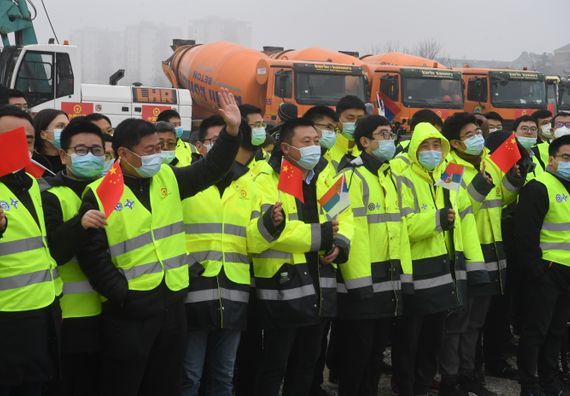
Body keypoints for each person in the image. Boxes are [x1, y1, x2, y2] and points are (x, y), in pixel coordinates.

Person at [76, 90, 242, 396]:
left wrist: (231, 133)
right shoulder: (100, 192)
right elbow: (92, 254)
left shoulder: (167, 177)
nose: (158, 154)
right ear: (124, 154)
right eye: (150, 149)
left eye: (160, 147)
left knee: (165, 381)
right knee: (125, 382)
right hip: (130, 309)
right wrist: (121, 293)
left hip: (172, 301)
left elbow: (210, 170)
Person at [181, 120, 284, 396]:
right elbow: (168, 235)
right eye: (213, 140)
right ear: (200, 147)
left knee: (224, 374)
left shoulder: (247, 185)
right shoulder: (185, 184)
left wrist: (270, 226)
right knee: (189, 375)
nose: (220, 146)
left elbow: (252, 242)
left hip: (234, 291)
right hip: (195, 289)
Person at [252, 118, 353, 396]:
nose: (313, 147)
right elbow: (275, 228)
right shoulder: (267, 177)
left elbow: (345, 215)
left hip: (320, 285)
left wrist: (341, 243)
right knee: (274, 364)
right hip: (284, 286)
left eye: (316, 141)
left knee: (307, 364)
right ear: (285, 148)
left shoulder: (325, 174)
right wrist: (322, 236)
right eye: (305, 142)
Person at [391, 122, 484, 396]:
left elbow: (464, 217)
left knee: (433, 338)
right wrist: (437, 220)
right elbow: (402, 226)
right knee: (409, 338)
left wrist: (473, 265)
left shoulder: (450, 173)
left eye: (436, 146)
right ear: (414, 148)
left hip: (446, 268)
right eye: (425, 146)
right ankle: (405, 387)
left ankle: (422, 385)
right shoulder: (403, 175)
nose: (432, 151)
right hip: (416, 269)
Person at [442, 112, 525, 395]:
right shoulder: (449, 170)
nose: (478, 137)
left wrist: (514, 182)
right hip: (466, 254)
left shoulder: (490, 161)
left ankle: (470, 374)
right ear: (454, 143)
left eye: (478, 132)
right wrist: (481, 186)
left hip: (493, 252)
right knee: (457, 322)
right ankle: (451, 379)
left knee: (476, 322)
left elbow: (501, 201)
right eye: (470, 135)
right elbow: (457, 212)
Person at [336, 115, 412, 396]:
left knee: (375, 355)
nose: (389, 139)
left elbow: (399, 228)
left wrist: (404, 277)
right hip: (361, 284)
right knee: (357, 354)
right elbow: (343, 226)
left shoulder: (389, 176)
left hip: (388, 280)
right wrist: (359, 284)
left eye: (391, 134)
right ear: (364, 142)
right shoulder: (348, 176)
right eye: (382, 134)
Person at [41, 121, 109, 396]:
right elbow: (53, 252)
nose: (90, 156)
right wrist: (79, 224)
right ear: (64, 155)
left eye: (96, 150)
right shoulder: (50, 195)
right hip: (72, 316)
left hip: (115, 312)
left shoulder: (115, 191)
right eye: (81, 150)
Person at [0, 105, 61, 395]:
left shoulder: (31, 184)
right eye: (13, 138)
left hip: (42, 310)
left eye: (29, 139)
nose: (23, 146)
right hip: (7, 317)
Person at [515, 135, 570, 396]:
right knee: (536, 331)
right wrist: (538, 272)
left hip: (567, 272)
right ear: (551, 160)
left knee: (557, 331)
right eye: (566, 158)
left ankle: (551, 379)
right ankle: (529, 383)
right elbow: (525, 237)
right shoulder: (539, 187)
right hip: (548, 271)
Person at [325, 95, 367, 171]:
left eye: (360, 119)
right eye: (350, 118)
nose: (355, 123)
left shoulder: (368, 148)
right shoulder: (326, 145)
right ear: (337, 118)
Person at [33, 109, 70, 174]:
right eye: (60, 126)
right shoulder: (32, 162)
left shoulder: (72, 158)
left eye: (68, 126)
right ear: (43, 134)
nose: (67, 130)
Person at [513, 115, 542, 181]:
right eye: (524, 128)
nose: (529, 132)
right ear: (514, 133)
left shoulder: (536, 157)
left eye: (533, 129)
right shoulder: (508, 156)